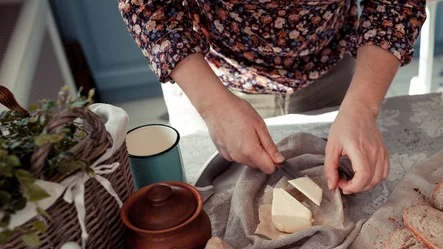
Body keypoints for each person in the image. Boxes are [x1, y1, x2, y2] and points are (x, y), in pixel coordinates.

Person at [119, 0, 426, 194]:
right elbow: (147, 6)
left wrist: (363, 106)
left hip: (337, 70)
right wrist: (212, 106)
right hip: (208, 79)